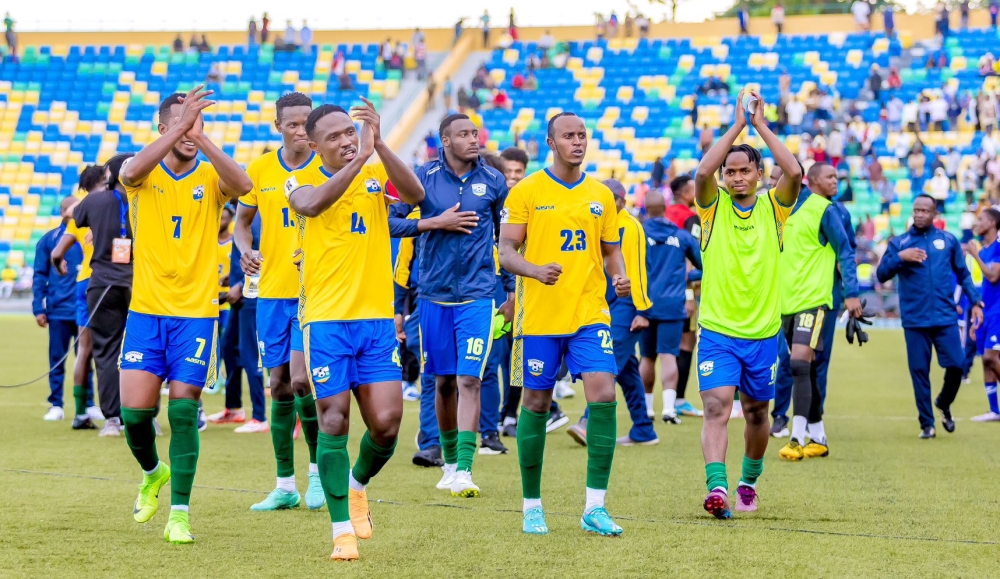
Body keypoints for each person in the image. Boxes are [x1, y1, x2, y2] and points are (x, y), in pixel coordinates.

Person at [285, 99, 424, 561]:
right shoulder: (299, 181)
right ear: (311, 143)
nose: (347, 140)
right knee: (334, 420)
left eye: (351, 132)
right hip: (325, 321)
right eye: (335, 136)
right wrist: (362, 158)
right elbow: (312, 204)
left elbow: (416, 195)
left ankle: (357, 483)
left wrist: (379, 145)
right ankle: (341, 529)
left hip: (376, 321)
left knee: (386, 426)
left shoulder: (371, 175)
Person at [116, 87, 253, 544]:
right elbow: (129, 169)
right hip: (146, 312)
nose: (190, 132)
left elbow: (245, 186)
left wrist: (202, 136)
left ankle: (179, 513)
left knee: (182, 410)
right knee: (134, 416)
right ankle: (153, 473)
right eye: (180, 123)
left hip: (196, 315)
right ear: (162, 128)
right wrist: (180, 125)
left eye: (197, 123)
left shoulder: (210, 177)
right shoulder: (142, 175)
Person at [499, 112, 631, 536]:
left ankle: (595, 506)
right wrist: (534, 271)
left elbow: (612, 250)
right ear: (551, 142)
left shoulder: (600, 195)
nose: (577, 142)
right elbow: (506, 251)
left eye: (582, 135)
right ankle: (532, 505)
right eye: (568, 136)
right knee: (536, 405)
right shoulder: (528, 191)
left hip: (589, 314)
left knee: (604, 394)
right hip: (539, 317)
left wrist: (619, 275)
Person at [693, 88, 801, 518]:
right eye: (730, 171)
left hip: (762, 335)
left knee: (757, 413)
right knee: (717, 406)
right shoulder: (711, 207)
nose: (736, 177)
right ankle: (717, 489)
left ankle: (747, 482)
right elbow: (703, 170)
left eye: (745, 170)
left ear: (759, 173)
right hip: (718, 331)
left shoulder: (776, 209)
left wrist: (759, 126)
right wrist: (738, 123)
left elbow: (794, 169)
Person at [411, 114, 510, 496]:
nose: (473, 140)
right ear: (445, 141)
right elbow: (392, 223)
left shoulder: (494, 181)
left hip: (478, 295)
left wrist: (510, 289)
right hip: (432, 296)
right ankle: (449, 462)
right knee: (442, 383)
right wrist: (435, 223)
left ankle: (465, 469)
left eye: (475, 134)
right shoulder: (423, 177)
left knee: (470, 378)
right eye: (464, 134)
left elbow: (508, 240)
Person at [235, 93, 324, 510]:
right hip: (271, 291)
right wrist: (244, 249)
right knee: (278, 386)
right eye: (292, 124)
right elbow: (242, 221)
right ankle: (285, 485)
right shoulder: (260, 169)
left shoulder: (327, 168)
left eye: (307, 123)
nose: (301, 131)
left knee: (304, 380)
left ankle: (318, 475)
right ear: (278, 126)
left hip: (315, 292)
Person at [774, 163, 862, 460]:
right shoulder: (774, 211)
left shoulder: (823, 209)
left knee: (800, 364)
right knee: (806, 369)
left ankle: (797, 437)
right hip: (784, 304)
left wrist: (851, 294)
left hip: (815, 300)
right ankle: (819, 435)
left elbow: (846, 250)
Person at [877, 195, 982, 438]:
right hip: (915, 320)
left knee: (956, 365)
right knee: (919, 371)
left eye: (925, 210)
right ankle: (927, 424)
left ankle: (944, 403)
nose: (920, 214)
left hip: (945, 317)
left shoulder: (948, 241)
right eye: (916, 210)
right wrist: (900, 258)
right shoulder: (899, 243)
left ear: (935, 214)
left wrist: (975, 301)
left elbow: (964, 275)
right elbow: (881, 274)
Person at [566, 179, 656, 447]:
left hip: (629, 305)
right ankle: (643, 429)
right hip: (607, 304)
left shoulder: (631, 227)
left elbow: (638, 270)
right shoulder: (602, 225)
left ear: (621, 200)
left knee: (605, 361)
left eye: (609, 198)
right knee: (626, 368)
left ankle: (587, 422)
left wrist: (642, 311)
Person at [52, 154, 136, 437]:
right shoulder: (149, 196)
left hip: (98, 283)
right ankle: (146, 416)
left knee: (102, 350)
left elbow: (70, 215)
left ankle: (109, 418)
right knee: (145, 351)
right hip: (140, 282)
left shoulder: (93, 201)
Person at [637, 189, 702, 425]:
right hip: (673, 305)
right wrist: (685, 276)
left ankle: (646, 409)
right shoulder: (682, 236)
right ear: (665, 208)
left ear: (645, 209)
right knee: (668, 356)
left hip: (644, 304)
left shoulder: (638, 235)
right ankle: (669, 410)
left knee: (646, 358)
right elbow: (702, 266)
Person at [34, 197, 89, 425]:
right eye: (73, 208)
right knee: (56, 359)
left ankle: (89, 404)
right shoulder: (50, 240)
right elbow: (39, 275)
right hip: (58, 310)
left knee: (86, 358)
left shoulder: (89, 236)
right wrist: (39, 307)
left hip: (84, 308)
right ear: (64, 212)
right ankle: (56, 404)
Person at [61, 165, 105, 429]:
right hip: (106, 282)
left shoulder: (77, 212)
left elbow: (58, 252)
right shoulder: (111, 205)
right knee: (114, 349)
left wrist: (59, 265)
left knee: (84, 351)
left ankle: (80, 414)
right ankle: (118, 413)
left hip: (82, 282)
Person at [662, 175, 704, 418]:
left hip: (656, 288)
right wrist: (689, 293)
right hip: (680, 289)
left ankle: (649, 403)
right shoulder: (690, 218)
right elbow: (689, 255)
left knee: (651, 351)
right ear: (685, 193)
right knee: (687, 342)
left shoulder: (663, 214)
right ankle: (678, 399)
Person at [965, 209, 1000, 421]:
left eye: (981, 220)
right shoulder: (986, 249)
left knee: (991, 357)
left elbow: (994, 276)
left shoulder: (996, 247)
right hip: (985, 312)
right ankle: (994, 410)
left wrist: (974, 254)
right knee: (985, 362)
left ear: (993, 223)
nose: (977, 223)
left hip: (998, 312)